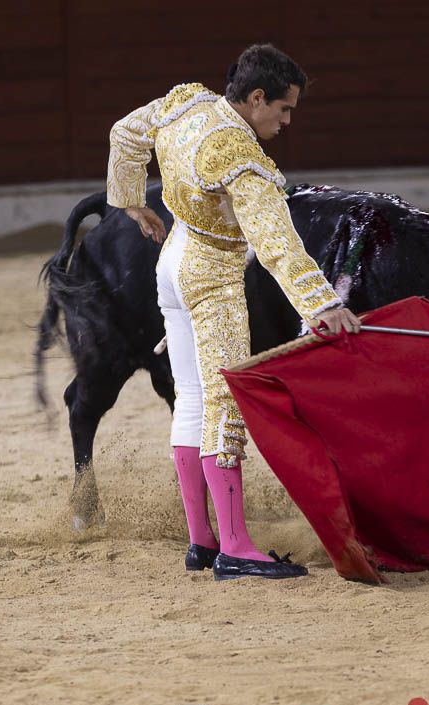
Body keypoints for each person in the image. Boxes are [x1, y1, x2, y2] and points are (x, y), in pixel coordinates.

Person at [106, 43, 360, 581]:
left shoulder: (188, 104)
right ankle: (236, 547)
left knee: (191, 400)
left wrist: (131, 199)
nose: (287, 122)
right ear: (258, 97)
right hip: (210, 275)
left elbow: (125, 132)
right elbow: (276, 244)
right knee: (223, 401)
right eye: (284, 109)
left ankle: (201, 541)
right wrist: (324, 306)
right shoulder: (240, 157)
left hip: (170, 262)